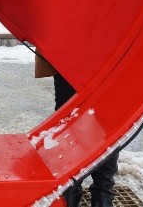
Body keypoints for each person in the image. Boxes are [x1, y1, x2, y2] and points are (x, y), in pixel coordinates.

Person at [54, 72, 120, 207]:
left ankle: (72, 192)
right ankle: (102, 197)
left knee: (69, 116)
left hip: (68, 59)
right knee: (106, 121)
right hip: (108, 57)